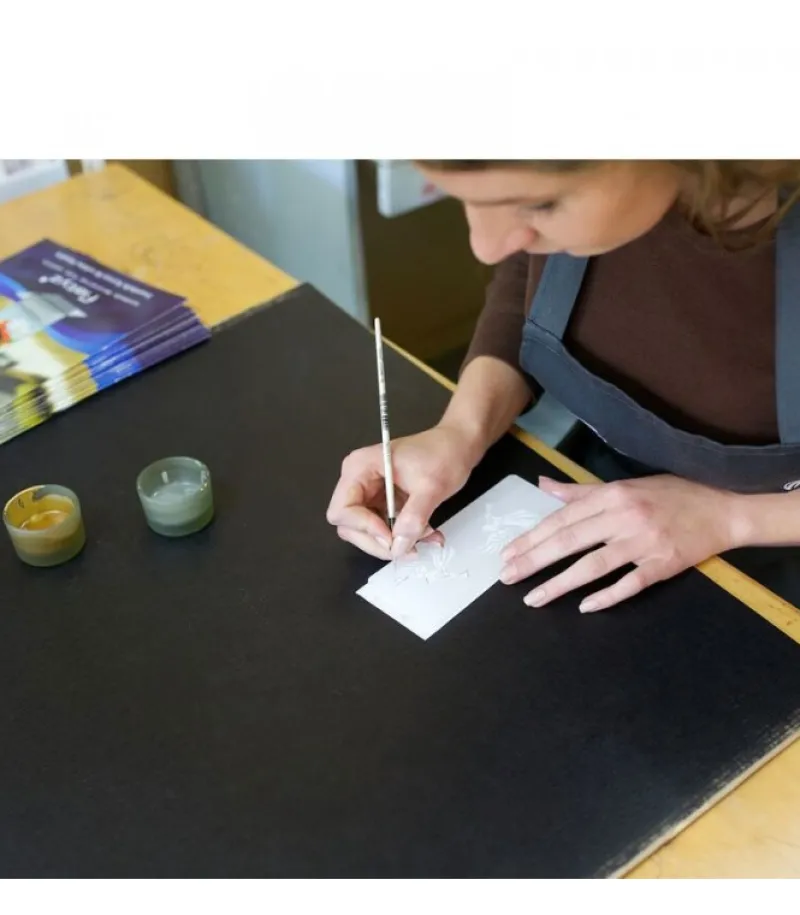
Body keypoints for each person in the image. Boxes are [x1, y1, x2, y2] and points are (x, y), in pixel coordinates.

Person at [327, 161, 800, 613]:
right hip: (601, 484)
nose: (484, 247)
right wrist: (461, 430)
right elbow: (532, 280)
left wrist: (731, 517)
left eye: (539, 205)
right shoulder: (584, 213)